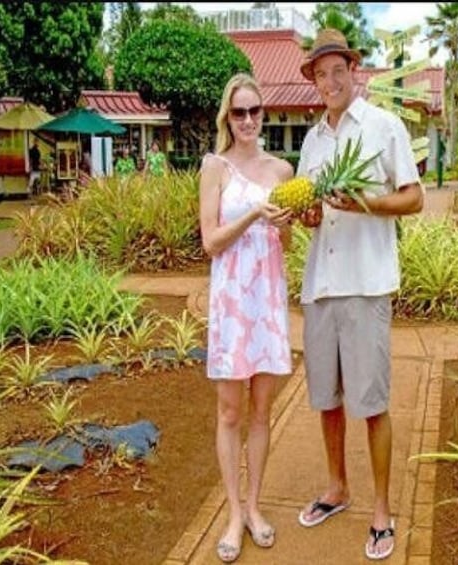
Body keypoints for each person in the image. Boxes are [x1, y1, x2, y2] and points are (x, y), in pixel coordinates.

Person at [295, 28, 424, 561]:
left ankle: (381, 510)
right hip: (320, 285)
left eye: (337, 70)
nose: (330, 81)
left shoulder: (383, 127)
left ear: (354, 71)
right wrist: (306, 215)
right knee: (326, 399)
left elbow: (414, 198)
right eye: (321, 74)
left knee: (371, 403)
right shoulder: (312, 141)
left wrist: (365, 203)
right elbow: (310, 212)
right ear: (315, 79)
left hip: (367, 284)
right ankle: (336, 488)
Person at [198, 73, 294, 563]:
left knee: (262, 411)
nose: (249, 119)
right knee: (230, 412)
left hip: (267, 301)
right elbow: (210, 241)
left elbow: (288, 243)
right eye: (239, 112)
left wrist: (286, 225)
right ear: (227, 117)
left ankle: (254, 507)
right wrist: (256, 215)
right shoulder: (214, 166)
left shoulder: (282, 170)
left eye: (255, 110)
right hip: (233, 303)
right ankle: (233, 513)